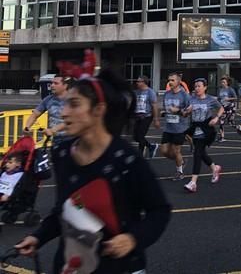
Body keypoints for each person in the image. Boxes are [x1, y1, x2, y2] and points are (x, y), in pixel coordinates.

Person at [15, 61, 171, 274]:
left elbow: (159, 211)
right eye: (66, 104)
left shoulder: (126, 159)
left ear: (98, 110)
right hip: (72, 265)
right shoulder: (62, 154)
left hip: (120, 267)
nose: (64, 113)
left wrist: (132, 238)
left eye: (75, 104)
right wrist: (38, 236)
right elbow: (65, 209)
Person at [183, 78, 223, 193]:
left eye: (199, 86)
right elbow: (187, 112)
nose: (197, 88)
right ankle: (215, 168)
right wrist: (186, 112)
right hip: (195, 129)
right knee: (201, 153)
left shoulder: (210, 99)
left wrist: (216, 118)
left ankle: (193, 182)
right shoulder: (192, 99)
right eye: (195, 86)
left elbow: (221, 108)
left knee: (197, 154)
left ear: (205, 87)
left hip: (206, 130)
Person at [23, 75, 73, 145]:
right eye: (52, 83)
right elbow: (35, 114)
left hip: (73, 139)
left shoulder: (73, 100)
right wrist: (27, 127)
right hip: (56, 140)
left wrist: (53, 130)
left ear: (65, 86)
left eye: (56, 83)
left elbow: (74, 120)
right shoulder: (48, 99)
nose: (52, 85)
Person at [159, 72, 190, 180]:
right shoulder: (167, 94)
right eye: (169, 80)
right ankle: (181, 161)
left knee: (176, 151)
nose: (170, 82)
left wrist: (179, 110)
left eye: (172, 80)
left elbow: (188, 111)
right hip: (168, 127)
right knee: (164, 151)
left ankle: (179, 172)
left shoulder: (184, 95)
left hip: (180, 128)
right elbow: (165, 108)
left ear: (178, 81)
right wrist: (163, 112)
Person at [132, 76, 160, 159]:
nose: (137, 83)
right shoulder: (136, 92)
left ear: (144, 82)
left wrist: (156, 119)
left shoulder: (150, 92)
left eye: (139, 81)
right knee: (135, 136)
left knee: (140, 136)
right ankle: (151, 146)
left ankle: (140, 156)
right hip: (137, 116)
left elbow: (154, 106)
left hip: (147, 116)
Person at [217, 76, 241, 141]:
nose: (222, 83)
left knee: (230, 122)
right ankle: (222, 137)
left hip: (230, 107)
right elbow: (219, 98)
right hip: (223, 107)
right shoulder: (220, 90)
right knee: (221, 121)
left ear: (227, 83)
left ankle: (237, 127)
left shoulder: (230, 89)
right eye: (222, 82)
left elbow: (236, 97)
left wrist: (228, 99)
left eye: (224, 82)